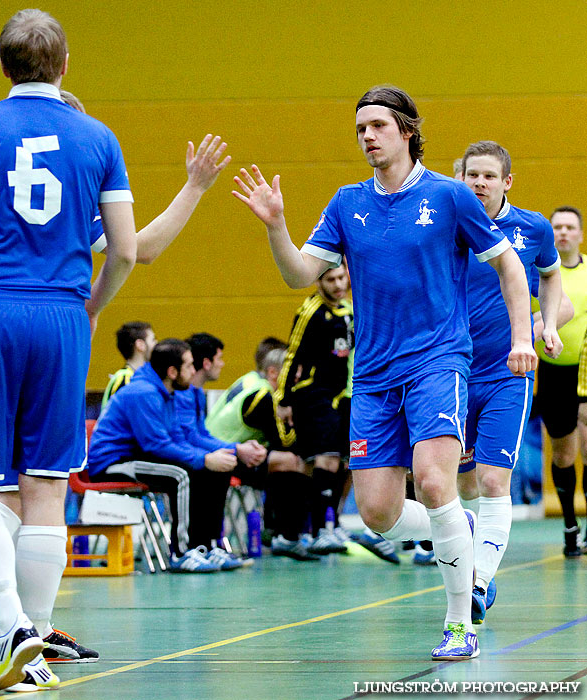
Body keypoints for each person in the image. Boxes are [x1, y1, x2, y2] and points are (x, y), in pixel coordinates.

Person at [232, 85, 535, 660]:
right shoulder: (347, 203)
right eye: (359, 129)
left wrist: (522, 337)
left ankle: (458, 625)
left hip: (439, 360)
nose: (367, 136)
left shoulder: (450, 197)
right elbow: (300, 273)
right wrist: (275, 225)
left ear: (407, 131)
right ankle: (461, 534)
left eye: (377, 125)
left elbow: (511, 267)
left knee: (437, 481)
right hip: (372, 376)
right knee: (376, 515)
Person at [0, 10, 138, 693]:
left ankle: (9, 622)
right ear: (65, 65)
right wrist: (90, 309)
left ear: (3, 67)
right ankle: (30, 642)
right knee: (43, 487)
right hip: (63, 316)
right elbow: (124, 248)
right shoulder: (99, 136)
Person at [456, 141, 566, 623]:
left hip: (507, 371)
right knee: (457, 488)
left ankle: (477, 583)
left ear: (507, 181)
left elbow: (551, 275)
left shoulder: (533, 227)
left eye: (486, 176)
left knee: (493, 478)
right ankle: (475, 552)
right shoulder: (445, 225)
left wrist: (549, 326)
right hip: (450, 371)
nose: (477, 183)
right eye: (470, 175)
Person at [88, 339, 238, 572]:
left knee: (212, 472)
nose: (192, 371)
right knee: (180, 475)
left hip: (138, 456)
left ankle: (205, 546)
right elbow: (155, 444)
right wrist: (203, 458)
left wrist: (209, 459)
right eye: (188, 366)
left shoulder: (166, 392)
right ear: (172, 371)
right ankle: (180, 553)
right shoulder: (144, 393)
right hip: (113, 462)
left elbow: (176, 439)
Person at [207, 345, 320, 560]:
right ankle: (289, 535)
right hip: (225, 456)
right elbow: (286, 441)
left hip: (227, 450)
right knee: (292, 461)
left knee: (282, 460)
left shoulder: (250, 379)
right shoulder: (262, 397)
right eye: (292, 375)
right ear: (272, 373)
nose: (296, 380)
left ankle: (277, 530)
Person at [275, 263, 355, 556]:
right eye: (330, 280)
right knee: (325, 460)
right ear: (318, 283)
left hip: (341, 396)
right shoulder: (310, 311)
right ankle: (319, 528)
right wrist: (283, 399)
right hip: (314, 394)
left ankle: (329, 525)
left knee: (342, 463)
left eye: (341, 278)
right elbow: (292, 355)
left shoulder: (347, 311)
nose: (337, 285)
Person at [175, 332, 266, 568]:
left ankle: (212, 544)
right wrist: (237, 449)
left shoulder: (194, 392)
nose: (223, 364)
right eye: (219, 358)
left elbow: (200, 435)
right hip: (176, 456)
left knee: (222, 465)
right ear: (206, 363)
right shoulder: (181, 393)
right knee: (209, 469)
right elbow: (189, 438)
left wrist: (235, 450)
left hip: (189, 451)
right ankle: (196, 546)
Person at [538, 206, 587, 555]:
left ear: (580, 234)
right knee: (564, 454)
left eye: (570, 227)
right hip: (552, 373)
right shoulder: (540, 272)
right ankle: (570, 527)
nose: (564, 233)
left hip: (584, 373)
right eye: (557, 227)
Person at [101, 321, 157, 408]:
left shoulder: (145, 377)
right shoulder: (125, 379)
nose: (156, 344)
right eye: (153, 339)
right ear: (140, 345)